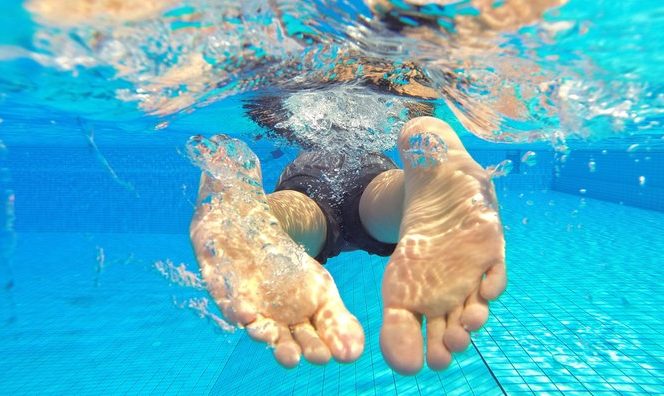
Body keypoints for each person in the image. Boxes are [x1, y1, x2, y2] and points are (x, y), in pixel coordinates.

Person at [188, 116, 507, 376]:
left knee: (298, 213)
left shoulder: (302, 125)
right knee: (384, 200)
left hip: (306, 178)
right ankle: (421, 182)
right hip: (369, 172)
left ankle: (250, 217)